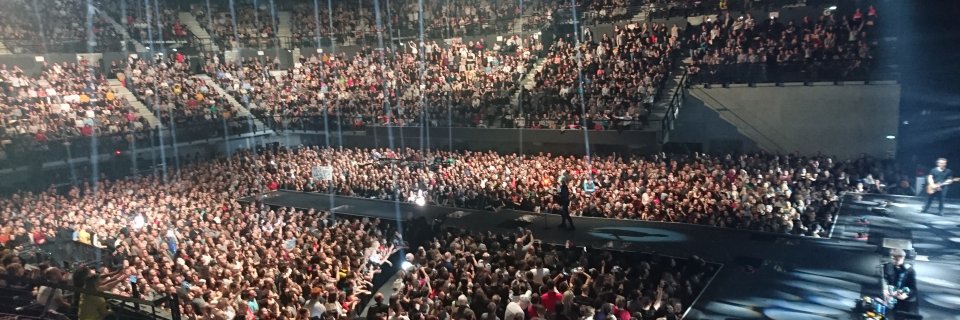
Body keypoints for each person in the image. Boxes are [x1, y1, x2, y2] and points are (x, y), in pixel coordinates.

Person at [882, 248, 917, 314]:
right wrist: (885, 288)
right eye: (893, 258)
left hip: (902, 303)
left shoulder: (910, 271)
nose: (895, 261)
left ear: (903, 258)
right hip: (888, 298)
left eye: (897, 259)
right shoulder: (887, 266)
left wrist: (906, 295)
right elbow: (884, 278)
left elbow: (913, 289)